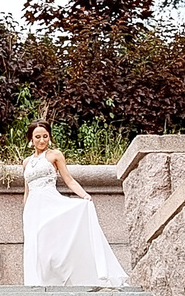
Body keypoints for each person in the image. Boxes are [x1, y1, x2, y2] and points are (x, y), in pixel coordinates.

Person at [21, 121, 128, 287]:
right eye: (37, 137)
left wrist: (85, 196)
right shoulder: (26, 162)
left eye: (45, 136)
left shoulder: (55, 155)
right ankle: (38, 284)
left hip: (50, 203)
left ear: (49, 137)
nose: (42, 140)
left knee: (52, 245)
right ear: (30, 139)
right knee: (35, 247)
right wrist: (25, 211)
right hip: (32, 209)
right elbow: (27, 191)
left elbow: (69, 179)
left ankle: (67, 276)